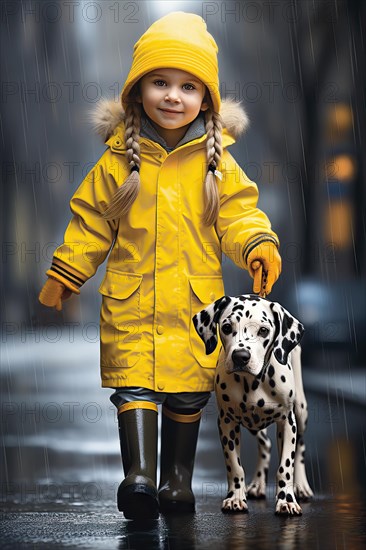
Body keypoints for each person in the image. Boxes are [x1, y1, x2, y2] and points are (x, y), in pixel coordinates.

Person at [39, 11, 282, 520]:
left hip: (193, 307)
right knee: (134, 388)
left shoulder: (219, 165)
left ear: (205, 99)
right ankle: (140, 478)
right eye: (160, 82)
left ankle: (177, 482)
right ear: (137, 90)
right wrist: (67, 273)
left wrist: (257, 244)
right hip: (131, 301)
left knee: (188, 395)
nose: (173, 96)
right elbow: (91, 224)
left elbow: (238, 215)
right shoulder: (115, 161)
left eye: (188, 86)